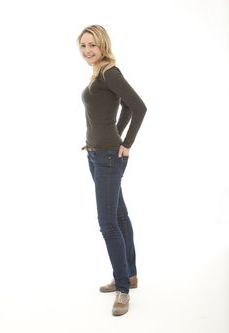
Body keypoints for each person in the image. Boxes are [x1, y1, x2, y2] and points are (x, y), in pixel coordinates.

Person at [77, 25, 147, 316]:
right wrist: (115, 134)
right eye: (82, 46)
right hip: (97, 155)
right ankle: (129, 275)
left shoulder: (109, 72)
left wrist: (125, 143)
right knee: (118, 215)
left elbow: (138, 107)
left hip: (107, 157)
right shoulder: (99, 74)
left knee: (108, 223)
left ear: (103, 44)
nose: (87, 50)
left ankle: (122, 289)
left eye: (92, 45)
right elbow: (126, 109)